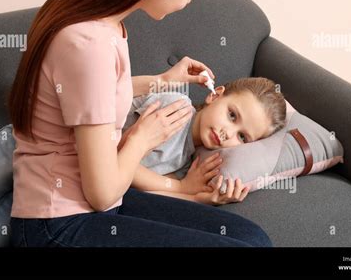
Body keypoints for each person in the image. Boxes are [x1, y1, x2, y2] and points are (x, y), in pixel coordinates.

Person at [7, 0, 273, 247]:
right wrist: (141, 139)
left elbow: (93, 92)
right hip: (57, 223)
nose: (189, 3)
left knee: (254, 238)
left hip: (96, 205)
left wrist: (163, 80)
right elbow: (102, 194)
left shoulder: (99, 19)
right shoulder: (90, 44)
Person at [121, 77, 286, 204]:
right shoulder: (177, 109)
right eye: (232, 115)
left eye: (242, 137)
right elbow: (118, 159)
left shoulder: (187, 163)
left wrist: (198, 198)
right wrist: (182, 188)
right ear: (215, 96)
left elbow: (148, 194)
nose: (227, 133)